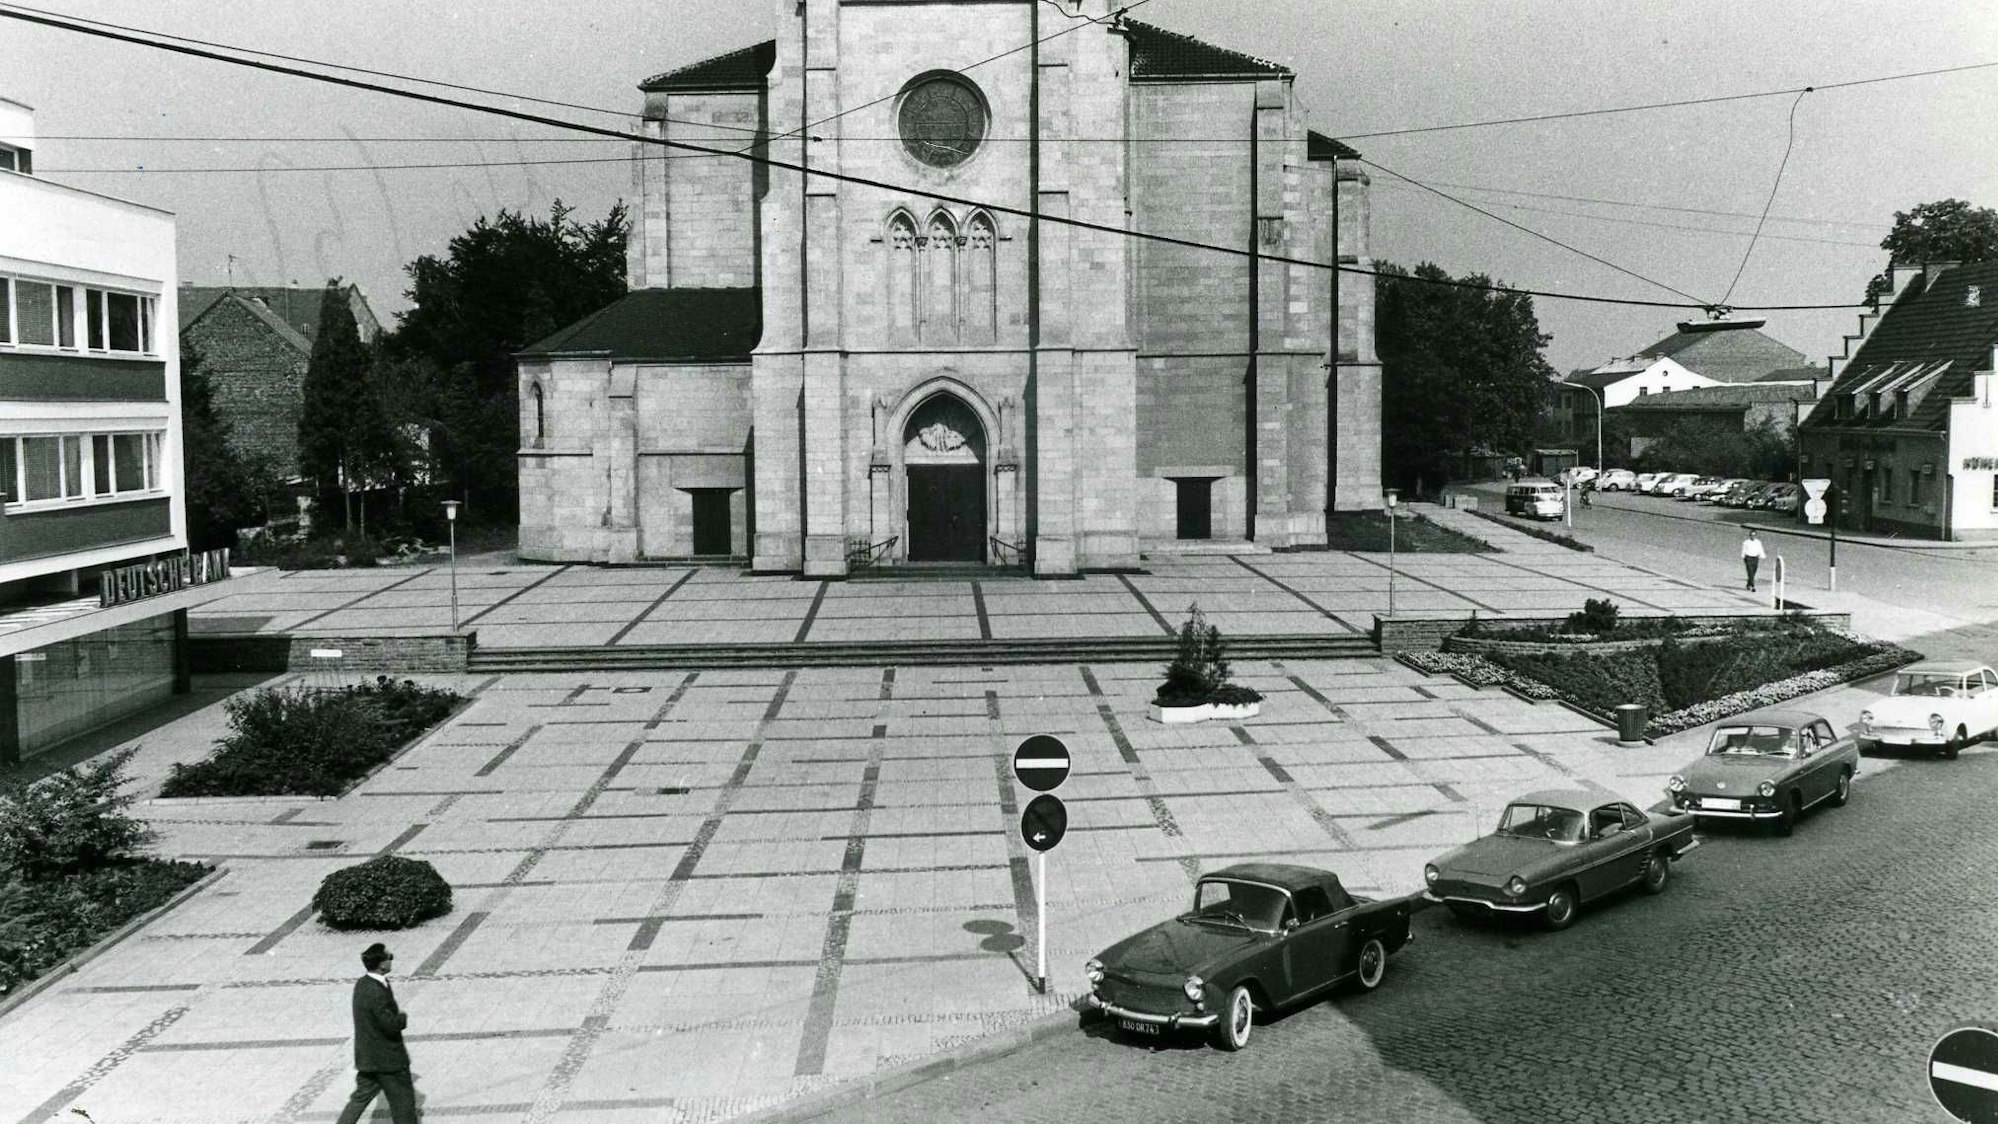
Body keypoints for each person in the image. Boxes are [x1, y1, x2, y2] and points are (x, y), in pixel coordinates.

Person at [335, 943, 418, 1124]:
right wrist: (402, 1018)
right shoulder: (376, 991)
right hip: (388, 1060)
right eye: (390, 957)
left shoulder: (363, 984)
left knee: (359, 1099)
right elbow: (389, 1025)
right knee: (403, 1103)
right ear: (381, 964)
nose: (392, 960)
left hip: (368, 1058)